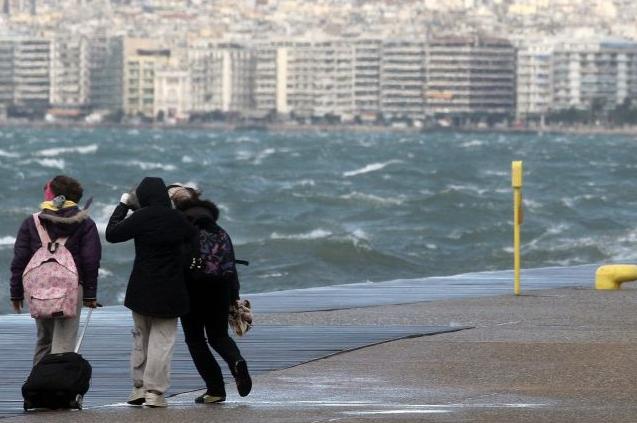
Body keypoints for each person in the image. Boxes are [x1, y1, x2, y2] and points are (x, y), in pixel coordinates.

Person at [105, 177, 196, 408]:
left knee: (140, 339)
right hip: (170, 291)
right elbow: (194, 246)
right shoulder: (179, 219)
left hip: (141, 289)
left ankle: (137, 388)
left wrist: (124, 204)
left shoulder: (140, 217)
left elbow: (112, 233)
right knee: (161, 343)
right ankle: (154, 393)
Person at [168, 184, 252, 404]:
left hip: (191, 290)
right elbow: (230, 266)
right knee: (219, 336)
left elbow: (176, 262)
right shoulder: (219, 229)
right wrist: (234, 296)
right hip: (220, 289)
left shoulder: (181, 227)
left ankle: (215, 390)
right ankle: (237, 362)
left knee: (195, 340)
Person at [10, 175, 101, 365]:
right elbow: (90, 260)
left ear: (54, 196)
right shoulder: (86, 223)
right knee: (64, 344)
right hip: (72, 289)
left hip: (38, 288)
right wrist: (90, 295)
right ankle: (58, 390)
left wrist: (16, 293)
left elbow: (20, 260)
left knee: (44, 341)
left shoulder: (32, 222)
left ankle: (37, 388)